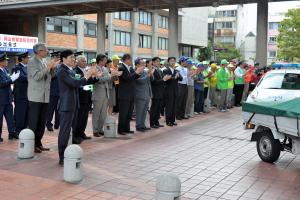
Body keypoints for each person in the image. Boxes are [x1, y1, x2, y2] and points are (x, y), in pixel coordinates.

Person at [57, 50, 99, 166]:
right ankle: (62, 157)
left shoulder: (70, 70)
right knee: (64, 131)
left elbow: (78, 84)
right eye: (71, 57)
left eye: (74, 58)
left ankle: (67, 153)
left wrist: (88, 77)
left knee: (70, 129)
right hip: (66, 105)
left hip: (74, 104)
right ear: (64, 59)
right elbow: (75, 83)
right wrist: (87, 75)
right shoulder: (62, 70)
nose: (73, 60)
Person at [27, 43, 58, 153]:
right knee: (34, 121)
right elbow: (37, 77)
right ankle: (32, 144)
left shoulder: (44, 61)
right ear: (39, 51)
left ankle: (38, 142)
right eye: (45, 50)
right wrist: (48, 67)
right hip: (35, 96)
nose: (47, 51)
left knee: (41, 121)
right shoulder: (32, 61)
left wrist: (52, 69)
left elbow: (51, 77)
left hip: (45, 96)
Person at [73, 55, 98, 142]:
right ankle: (76, 134)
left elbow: (90, 82)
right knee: (79, 117)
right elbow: (79, 84)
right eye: (83, 61)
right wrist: (87, 87)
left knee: (85, 117)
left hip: (88, 97)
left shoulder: (86, 70)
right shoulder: (76, 71)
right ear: (78, 62)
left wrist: (95, 77)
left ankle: (82, 133)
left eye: (85, 61)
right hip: (81, 97)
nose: (85, 62)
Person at [118, 54, 143, 135]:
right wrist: (136, 72)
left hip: (131, 93)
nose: (131, 61)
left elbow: (133, 77)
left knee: (129, 113)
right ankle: (121, 129)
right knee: (123, 113)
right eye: (130, 59)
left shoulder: (130, 68)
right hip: (124, 94)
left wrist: (138, 73)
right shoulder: (121, 67)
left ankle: (127, 128)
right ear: (126, 59)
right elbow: (127, 78)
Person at [0, 53, 19, 142]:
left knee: (10, 117)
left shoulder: (5, 70)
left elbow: (7, 81)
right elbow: (2, 84)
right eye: (5, 60)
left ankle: (12, 133)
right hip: (1, 99)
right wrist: (11, 79)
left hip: (8, 98)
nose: (7, 61)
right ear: (1, 62)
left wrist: (11, 78)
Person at [92, 54, 113, 137]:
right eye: (105, 60)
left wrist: (112, 77)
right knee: (96, 113)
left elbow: (107, 79)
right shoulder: (94, 68)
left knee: (103, 113)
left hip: (105, 92)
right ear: (100, 60)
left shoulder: (105, 69)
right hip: (97, 93)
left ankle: (100, 129)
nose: (106, 61)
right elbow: (97, 80)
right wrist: (108, 77)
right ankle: (95, 130)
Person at [13, 52, 30, 134]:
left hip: (27, 94)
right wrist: (32, 77)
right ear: (22, 58)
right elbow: (21, 77)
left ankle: (24, 128)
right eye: (27, 57)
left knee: (27, 112)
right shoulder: (17, 67)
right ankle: (18, 130)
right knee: (20, 113)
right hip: (20, 94)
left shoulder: (28, 67)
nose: (28, 59)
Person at [163, 57, 182, 126]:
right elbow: (166, 79)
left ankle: (173, 120)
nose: (173, 62)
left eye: (174, 61)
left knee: (174, 106)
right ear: (168, 62)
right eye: (171, 61)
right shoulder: (165, 70)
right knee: (169, 106)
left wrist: (178, 76)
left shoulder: (176, 70)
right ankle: (168, 121)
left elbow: (181, 78)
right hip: (168, 91)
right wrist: (175, 77)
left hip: (175, 90)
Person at [134, 58, 152, 132]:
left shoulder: (144, 71)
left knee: (144, 111)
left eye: (144, 63)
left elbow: (148, 82)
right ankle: (138, 125)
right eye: (142, 63)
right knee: (139, 111)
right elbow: (139, 81)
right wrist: (148, 76)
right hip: (140, 94)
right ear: (137, 64)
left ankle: (142, 125)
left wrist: (150, 74)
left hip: (146, 94)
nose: (144, 65)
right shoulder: (136, 72)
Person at [150, 57, 168, 128]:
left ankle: (156, 122)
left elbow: (162, 79)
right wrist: (163, 80)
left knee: (159, 107)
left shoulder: (160, 70)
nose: (158, 62)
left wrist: (165, 78)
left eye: (159, 61)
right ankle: (152, 123)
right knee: (154, 107)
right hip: (155, 91)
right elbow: (153, 81)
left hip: (161, 91)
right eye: (157, 61)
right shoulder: (152, 70)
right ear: (153, 62)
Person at [46, 51, 61, 132]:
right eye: (56, 57)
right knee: (50, 110)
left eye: (58, 57)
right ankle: (48, 124)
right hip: (52, 91)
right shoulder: (49, 66)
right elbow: (51, 77)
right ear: (52, 58)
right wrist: (53, 68)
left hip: (59, 91)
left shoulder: (60, 66)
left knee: (58, 109)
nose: (58, 59)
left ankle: (57, 124)